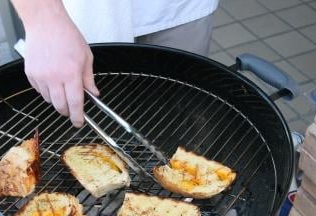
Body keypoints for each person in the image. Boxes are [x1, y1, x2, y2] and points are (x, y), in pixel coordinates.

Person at [11, 0, 219, 127]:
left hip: (180, 8)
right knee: (84, 132)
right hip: (74, 14)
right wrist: (43, 19)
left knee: (181, 119)